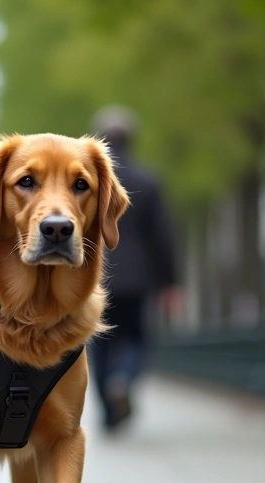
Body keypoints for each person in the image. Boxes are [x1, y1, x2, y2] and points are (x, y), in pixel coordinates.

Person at [89, 105, 181, 431]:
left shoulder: (89, 181)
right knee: (138, 338)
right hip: (137, 278)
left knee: (98, 344)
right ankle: (123, 379)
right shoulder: (148, 180)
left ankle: (108, 413)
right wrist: (170, 283)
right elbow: (163, 237)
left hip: (96, 277)